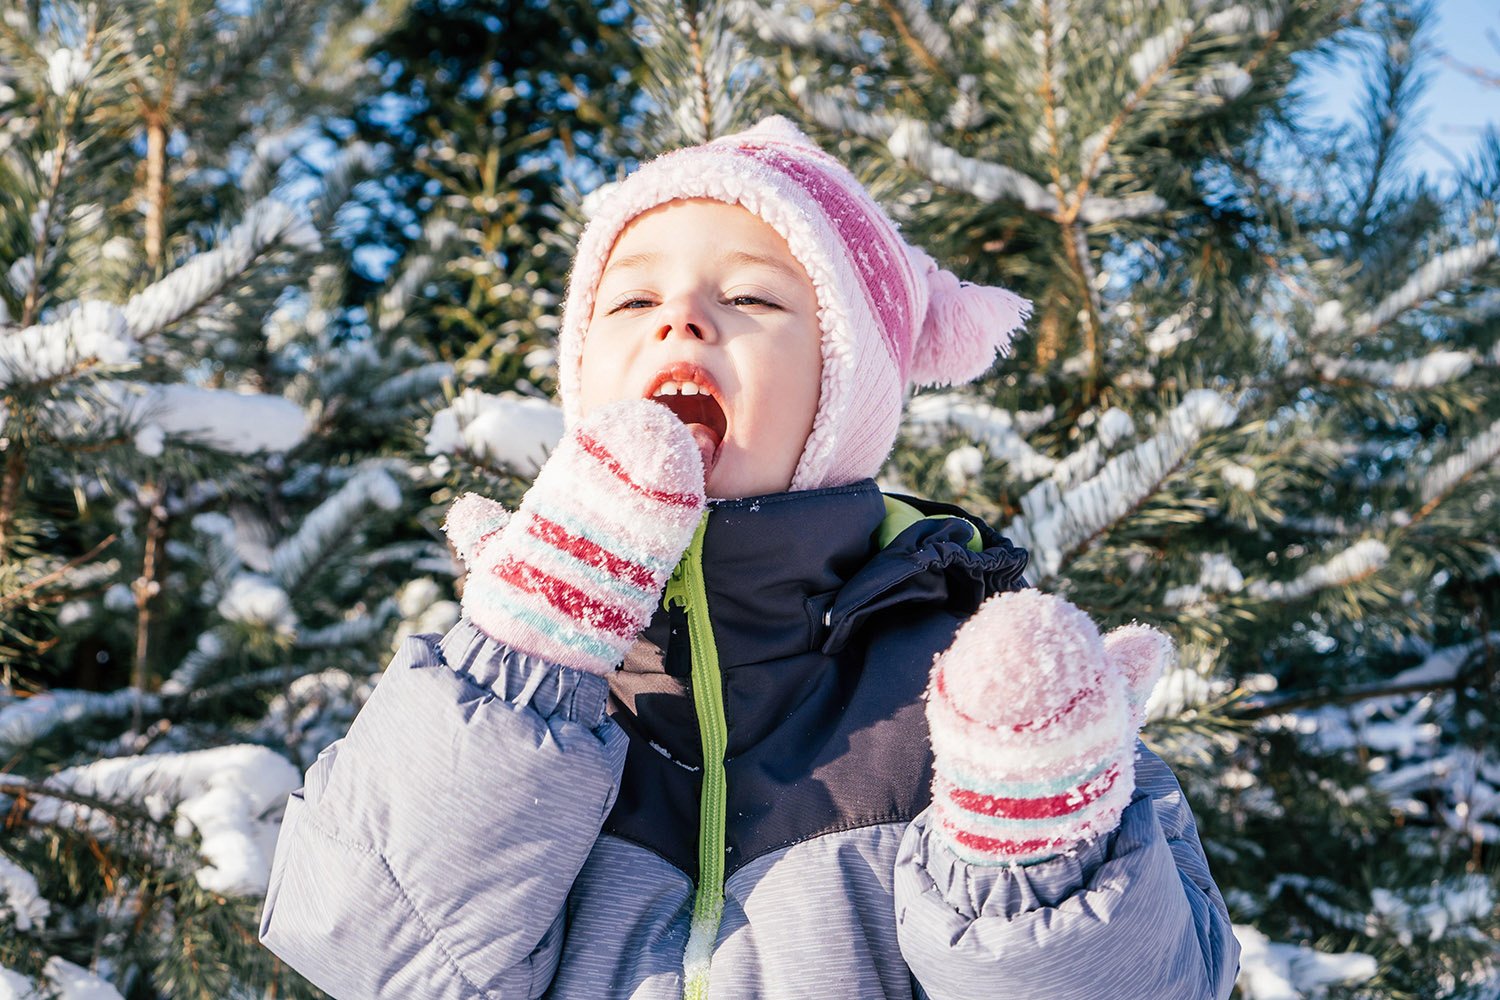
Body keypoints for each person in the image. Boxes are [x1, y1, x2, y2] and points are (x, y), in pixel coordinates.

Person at [258, 116, 1241, 999]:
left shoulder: (962, 688)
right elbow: (372, 948)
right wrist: (526, 658)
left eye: (751, 298)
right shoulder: (510, 683)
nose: (680, 320)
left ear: (845, 391)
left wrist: (1032, 840)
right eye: (632, 297)